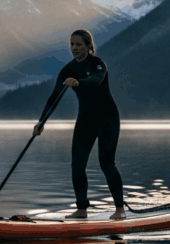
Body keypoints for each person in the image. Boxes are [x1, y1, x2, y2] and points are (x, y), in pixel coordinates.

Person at [33, 29, 126, 220]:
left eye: (78, 45)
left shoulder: (99, 65)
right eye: (71, 44)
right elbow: (53, 99)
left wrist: (78, 82)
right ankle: (82, 209)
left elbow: (94, 81)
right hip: (86, 120)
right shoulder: (67, 70)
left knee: (106, 164)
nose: (74, 48)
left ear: (88, 46)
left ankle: (119, 209)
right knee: (77, 166)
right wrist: (41, 122)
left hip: (107, 118)